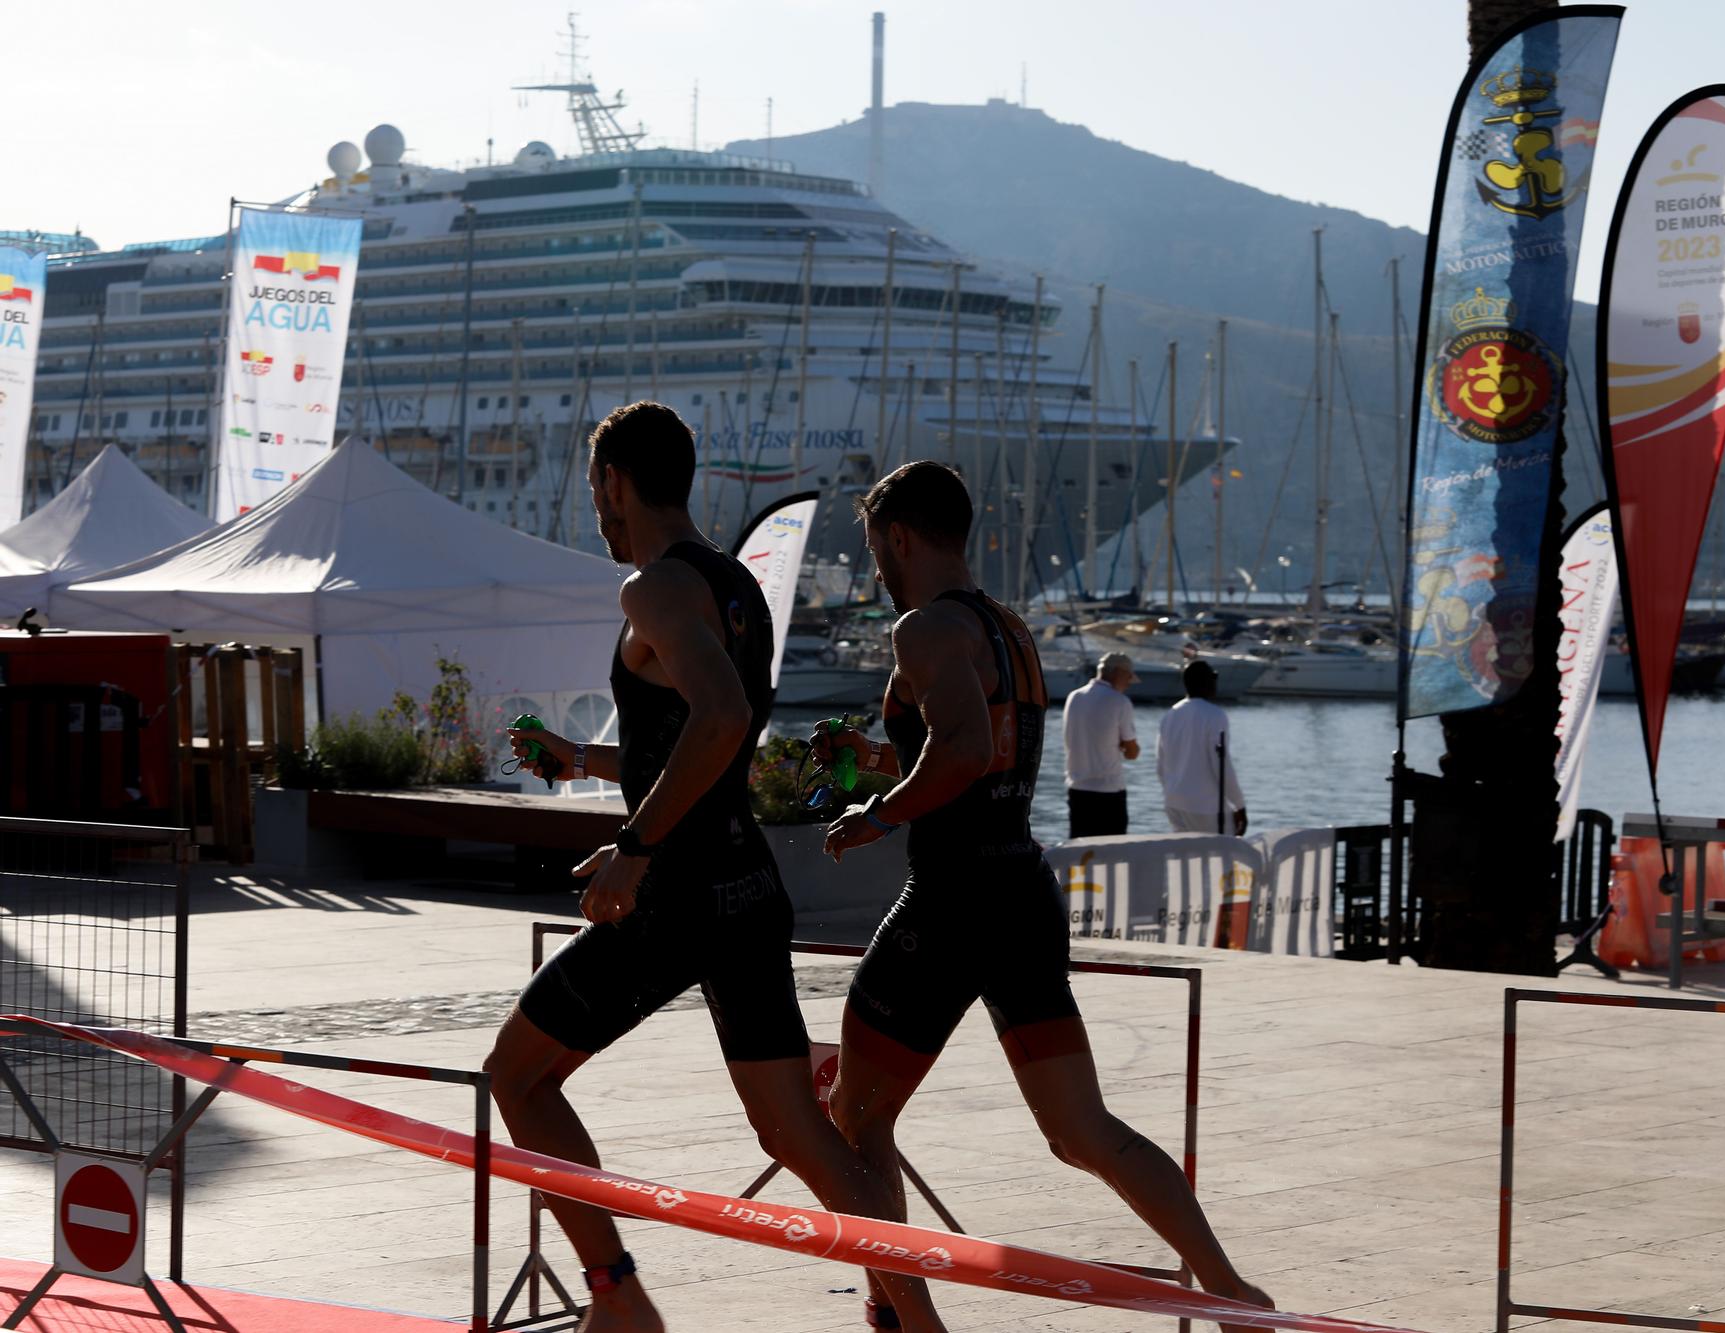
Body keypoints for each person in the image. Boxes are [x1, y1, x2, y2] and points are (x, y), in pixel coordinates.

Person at [486, 403, 941, 1333]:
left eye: (595, 494)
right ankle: (918, 1324)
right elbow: (705, 742)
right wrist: (586, 761)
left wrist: (636, 847)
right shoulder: (737, 584)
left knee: (519, 1078)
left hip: (677, 889)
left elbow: (722, 717)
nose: (598, 518)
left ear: (614, 480)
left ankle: (620, 1301)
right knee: (798, 1132)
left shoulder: (651, 587)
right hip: (744, 884)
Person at [813, 461, 1274, 1332]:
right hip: (1021, 889)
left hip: (953, 898)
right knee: (1081, 1129)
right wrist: (875, 759)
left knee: (855, 1114)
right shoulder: (1009, 629)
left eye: (877, 549)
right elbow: (980, 754)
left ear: (901, 538)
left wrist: (876, 814)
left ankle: (911, 1321)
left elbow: (958, 752)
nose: (877, 568)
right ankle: (1227, 1287)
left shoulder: (923, 629)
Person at [1156, 660, 1248, 835]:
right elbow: (1221, 765)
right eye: (1213, 677)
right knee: (1222, 858)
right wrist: (1239, 805)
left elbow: (1161, 766)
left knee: (1186, 858)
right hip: (1206, 807)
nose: (1215, 682)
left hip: (1174, 803)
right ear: (1204, 682)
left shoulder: (1170, 715)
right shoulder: (1215, 715)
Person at [1062, 651, 1139, 838]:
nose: (1129, 683)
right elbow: (1132, 752)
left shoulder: (1074, 697)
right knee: (1113, 856)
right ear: (1118, 672)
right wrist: (1124, 745)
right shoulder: (1120, 701)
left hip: (1078, 789)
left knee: (1081, 855)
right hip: (1108, 792)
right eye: (1129, 677)